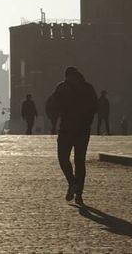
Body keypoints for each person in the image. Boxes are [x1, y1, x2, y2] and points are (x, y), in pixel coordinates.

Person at [53, 66, 98, 205]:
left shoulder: (62, 87)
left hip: (67, 129)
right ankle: (77, 191)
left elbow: (53, 105)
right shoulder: (88, 88)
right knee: (79, 161)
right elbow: (96, 106)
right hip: (81, 130)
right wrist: (87, 120)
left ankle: (74, 185)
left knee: (64, 158)